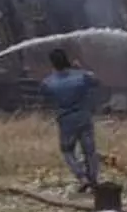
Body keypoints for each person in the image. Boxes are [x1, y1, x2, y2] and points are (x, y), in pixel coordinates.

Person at [41, 48, 101, 192]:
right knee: (90, 151)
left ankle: (81, 177)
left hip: (66, 120)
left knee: (67, 151)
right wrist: (81, 69)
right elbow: (96, 81)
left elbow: (45, 96)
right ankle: (93, 180)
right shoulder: (81, 76)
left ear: (52, 63)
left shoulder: (48, 82)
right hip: (84, 117)